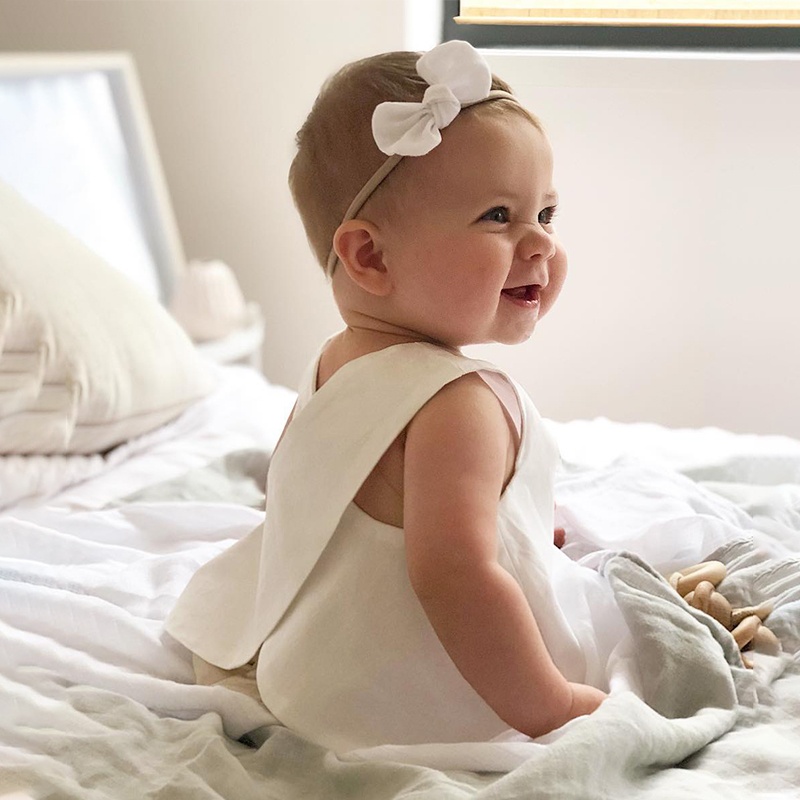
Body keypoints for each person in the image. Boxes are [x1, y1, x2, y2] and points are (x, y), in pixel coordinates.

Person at [165, 40, 611, 754]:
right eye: (499, 216)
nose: (539, 245)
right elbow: (455, 579)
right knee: (624, 641)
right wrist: (554, 707)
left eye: (547, 215)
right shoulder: (458, 403)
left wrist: (514, 521)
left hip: (317, 674)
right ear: (370, 256)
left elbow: (319, 502)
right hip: (411, 701)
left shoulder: (335, 362)